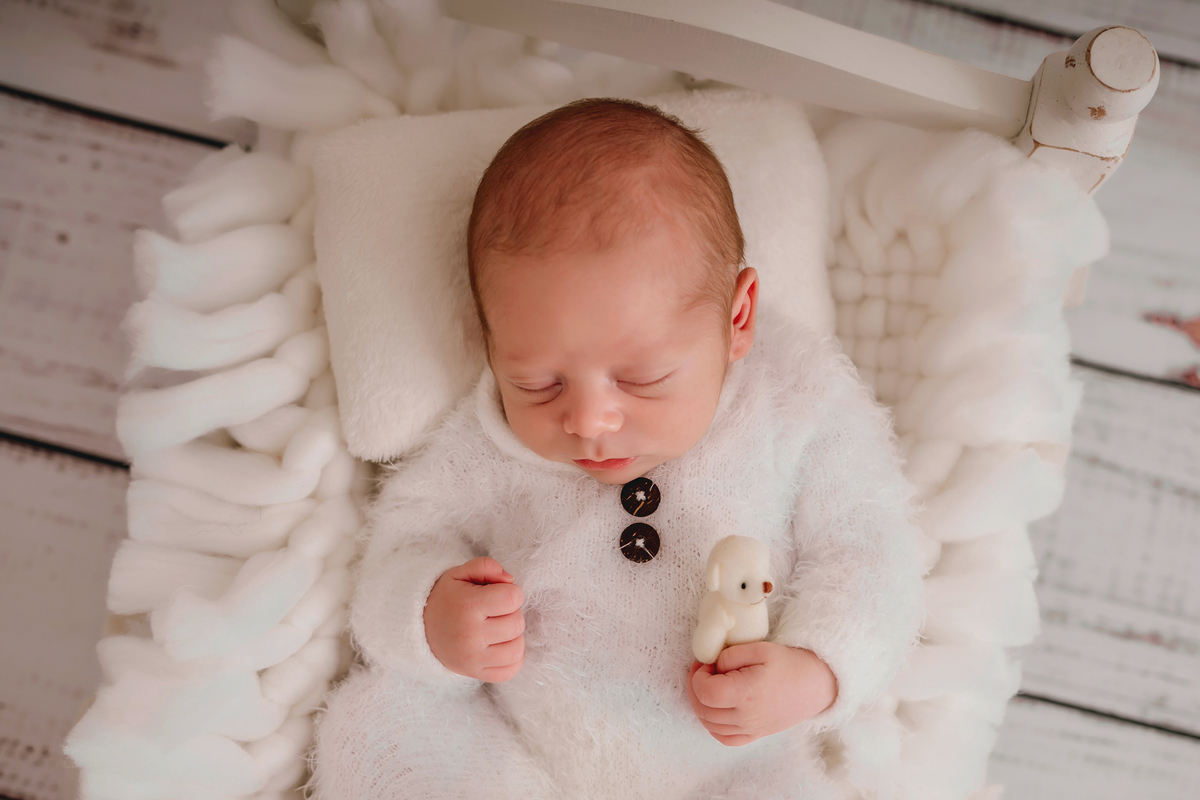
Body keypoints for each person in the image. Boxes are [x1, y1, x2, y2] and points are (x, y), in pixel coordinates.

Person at [312, 97, 923, 799]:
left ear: (737, 318)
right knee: (371, 728)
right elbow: (399, 548)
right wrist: (430, 615)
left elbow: (872, 551)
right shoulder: (479, 448)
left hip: (734, 770)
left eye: (641, 379)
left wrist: (816, 672)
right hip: (521, 754)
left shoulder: (797, 403)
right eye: (539, 384)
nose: (588, 421)